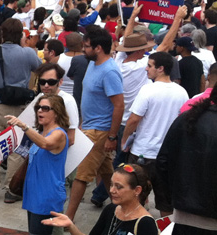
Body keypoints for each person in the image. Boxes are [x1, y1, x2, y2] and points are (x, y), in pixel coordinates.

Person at [0, 18, 42, 203]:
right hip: (18, 107)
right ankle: (11, 189)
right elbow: (40, 68)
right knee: (16, 149)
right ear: (21, 35)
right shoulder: (27, 53)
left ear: (2, 33)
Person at [65, 27, 125, 220]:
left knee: (81, 176)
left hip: (99, 131)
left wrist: (112, 136)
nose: (83, 49)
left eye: (87, 46)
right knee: (108, 174)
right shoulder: (93, 63)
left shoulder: (109, 71)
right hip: (90, 127)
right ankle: (128, 210)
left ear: (98, 48)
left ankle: (68, 218)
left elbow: (119, 105)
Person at [119, 51, 187, 217]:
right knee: (166, 202)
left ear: (161, 69)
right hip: (167, 156)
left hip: (143, 152)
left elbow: (134, 119)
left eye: (149, 66)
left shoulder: (147, 90)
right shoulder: (182, 93)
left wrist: (124, 140)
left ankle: (135, 227)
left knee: (134, 197)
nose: (146, 69)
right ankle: (165, 230)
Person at [157, 78, 217, 235]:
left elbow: (163, 162)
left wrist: (175, 197)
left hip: (183, 214)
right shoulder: (188, 119)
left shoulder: (187, 118)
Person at [6, 95, 70, 235]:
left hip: (46, 196)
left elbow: (45, 144)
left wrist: (23, 126)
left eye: (45, 108)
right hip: (34, 196)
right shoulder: (41, 133)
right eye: (38, 108)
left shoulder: (58, 134)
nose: (40, 111)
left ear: (57, 112)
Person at [43, 164, 158, 235]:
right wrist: (71, 227)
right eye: (111, 184)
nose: (112, 190)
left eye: (119, 187)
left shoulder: (145, 223)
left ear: (137, 190)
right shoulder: (111, 209)